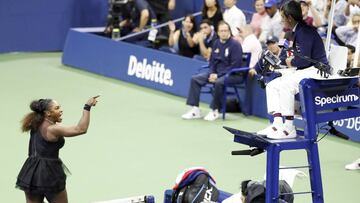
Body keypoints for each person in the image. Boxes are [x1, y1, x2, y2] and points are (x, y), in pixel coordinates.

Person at [257, 0, 329, 139]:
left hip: (317, 71)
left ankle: (289, 127)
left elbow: (302, 60)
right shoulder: (298, 30)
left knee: (285, 85)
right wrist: (285, 61)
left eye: (282, 17)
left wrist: (290, 62)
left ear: (289, 18)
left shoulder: (305, 32)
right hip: (305, 70)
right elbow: (298, 58)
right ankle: (277, 124)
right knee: (272, 85)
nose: (281, 20)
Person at [16, 96, 100, 203]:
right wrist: (87, 107)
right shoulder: (53, 129)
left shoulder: (35, 122)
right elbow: (81, 129)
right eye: (57, 108)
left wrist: (57, 121)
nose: (61, 110)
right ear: (47, 113)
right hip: (49, 174)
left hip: (31, 173)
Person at [181, 21, 243, 121]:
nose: (224, 33)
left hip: (233, 75)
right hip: (216, 73)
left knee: (219, 82)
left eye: (226, 30)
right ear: (218, 32)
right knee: (195, 79)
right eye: (221, 31)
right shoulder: (216, 43)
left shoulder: (235, 45)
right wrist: (212, 73)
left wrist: (218, 75)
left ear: (229, 32)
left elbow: (234, 66)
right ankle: (195, 110)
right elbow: (212, 62)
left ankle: (215, 110)